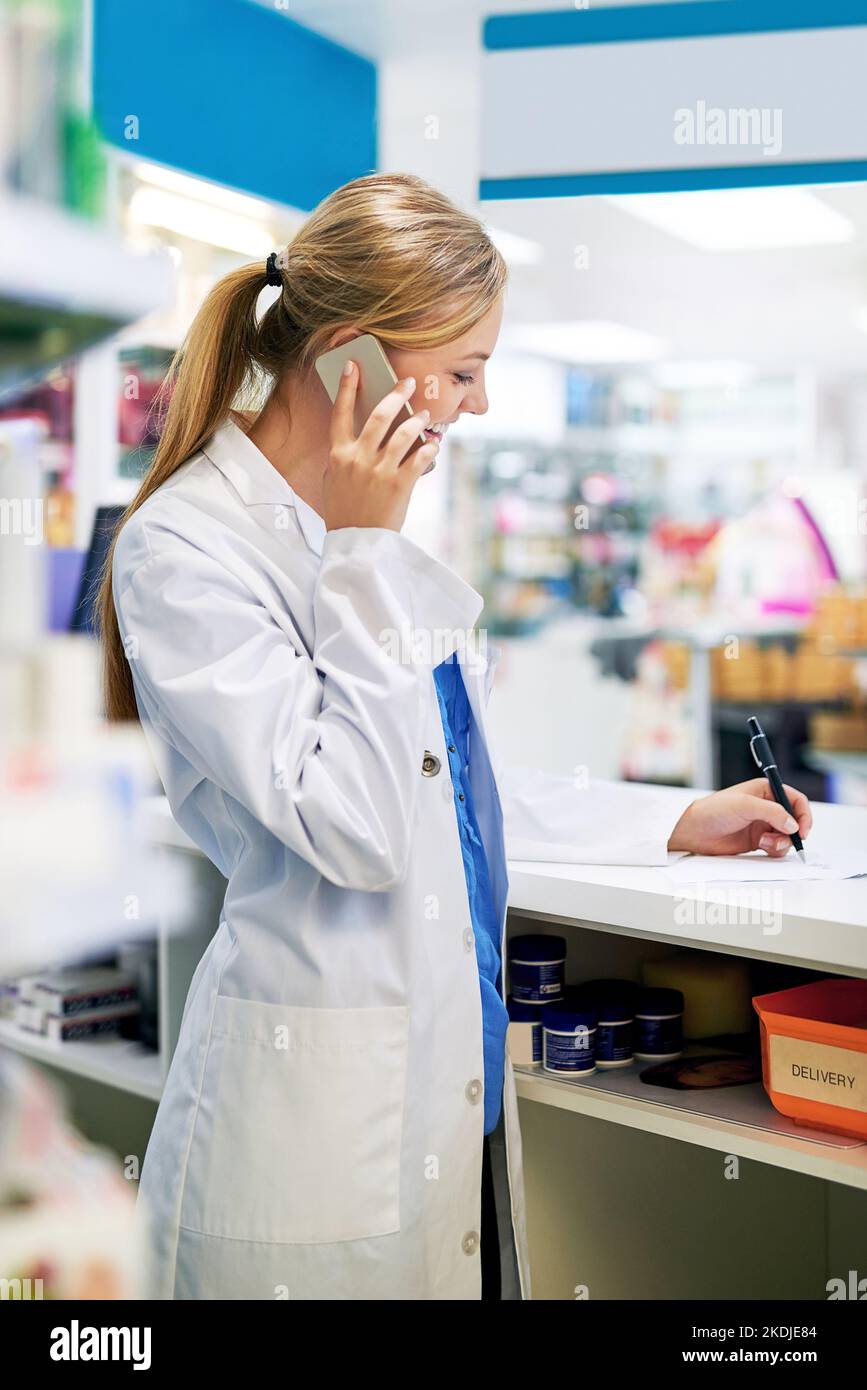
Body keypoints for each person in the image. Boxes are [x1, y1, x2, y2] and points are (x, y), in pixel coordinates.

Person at [97, 172, 812, 1301]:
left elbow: (446, 790)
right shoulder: (188, 551)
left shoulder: (355, 536)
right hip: (310, 1128)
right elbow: (360, 823)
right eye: (466, 370)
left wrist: (675, 815)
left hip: (435, 1095)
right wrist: (364, 552)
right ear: (352, 361)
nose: (476, 405)